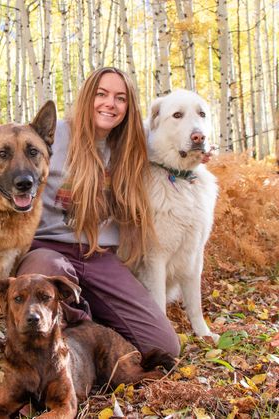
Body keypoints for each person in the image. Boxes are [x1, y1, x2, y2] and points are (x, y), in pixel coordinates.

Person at [16, 67, 180, 357]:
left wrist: (199, 146)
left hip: (100, 257)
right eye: (101, 94)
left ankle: (85, 324)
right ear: (87, 96)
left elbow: (175, 141)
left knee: (164, 348)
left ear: (128, 107)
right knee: (48, 274)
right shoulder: (54, 135)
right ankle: (77, 343)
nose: (110, 104)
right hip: (47, 251)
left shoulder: (131, 144)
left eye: (120, 98)